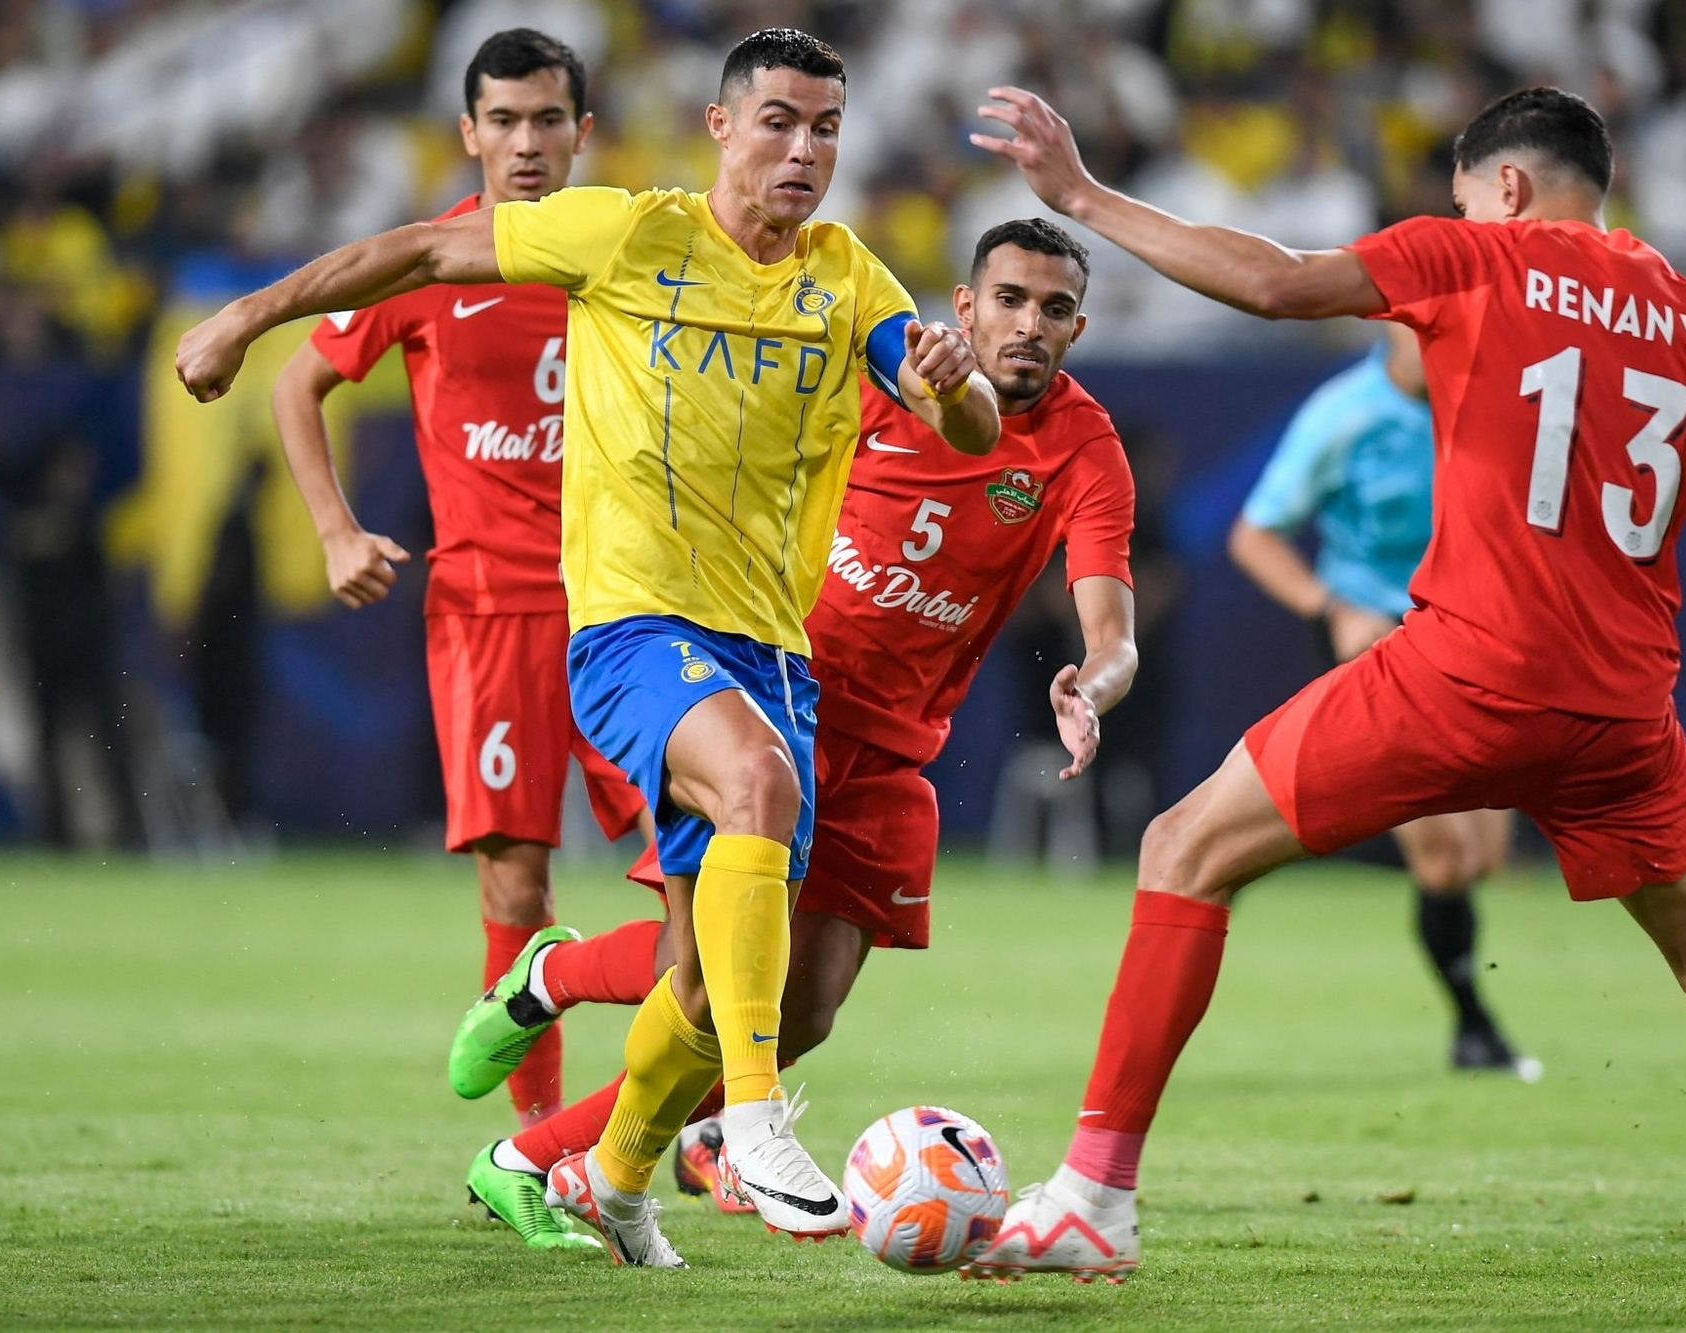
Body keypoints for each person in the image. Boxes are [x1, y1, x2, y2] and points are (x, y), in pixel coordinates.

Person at [962, 84, 1686, 1307]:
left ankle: (1095, 1202)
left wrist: (1080, 198)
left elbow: (1273, 283)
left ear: (1508, 189)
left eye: (1464, 192)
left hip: (1468, 673)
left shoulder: (1471, 255)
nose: (1457, 210)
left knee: (1182, 846)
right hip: (1621, 714)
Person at [175, 27, 1001, 1269]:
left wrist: (953, 379)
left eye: (824, 128)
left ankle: (607, 1178)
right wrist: (247, 315)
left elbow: (974, 421)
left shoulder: (850, 279)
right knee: (751, 795)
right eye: (776, 120)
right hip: (622, 626)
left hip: (766, 647)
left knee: (703, 977)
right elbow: (413, 250)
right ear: (719, 126)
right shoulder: (625, 232)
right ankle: (757, 1125)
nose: (803, 149)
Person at [449, 217, 1138, 1229]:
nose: (1027, 324)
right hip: (777, 708)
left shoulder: (1084, 446)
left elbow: (1110, 624)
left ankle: (550, 1090)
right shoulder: (876, 383)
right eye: (1008, 299)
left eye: (1052, 308)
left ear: (1077, 327)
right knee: (704, 975)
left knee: (799, 1009)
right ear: (964, 305)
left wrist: (1095, 681)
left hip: (896, 749)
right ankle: (547, 1098)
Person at [270, 38, 651, 1237]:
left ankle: (671, 1130)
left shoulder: (625, 251)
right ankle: (533, 1169)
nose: (528, 143)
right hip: (488, 612)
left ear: (583, 132)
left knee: (708, 883)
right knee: (517, 878)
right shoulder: (428, 262)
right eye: (505, 120)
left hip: (628, 607)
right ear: (469, 133)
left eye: (548, 119)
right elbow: (296, 382)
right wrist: (335, 530)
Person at [1228, 323, 1535, 1080]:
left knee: (1483, 857)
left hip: (1471, 644)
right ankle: (1476, 1030)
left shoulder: (1487, 405)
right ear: (1392, 328)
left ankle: (1230, 845)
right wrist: (1329, 606)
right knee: (1443, 857)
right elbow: (1254, 532)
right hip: (1378, 642)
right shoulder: (1344, 413)